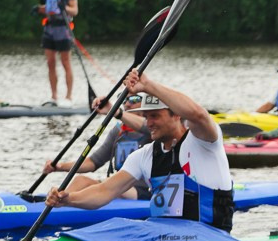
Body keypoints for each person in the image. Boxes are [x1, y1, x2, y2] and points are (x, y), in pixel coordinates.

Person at [46, 70, 235, 230]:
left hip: (209, 237)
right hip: (164, 236)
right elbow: (104, 191)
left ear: (176, 115)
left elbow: (198, 115)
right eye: (146, 116)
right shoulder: (144, 155)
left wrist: (147, 85)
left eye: (155, 116)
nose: (148, 123)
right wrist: (68, 199)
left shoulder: (202, 142)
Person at [42, 94, 153, 199]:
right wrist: (60, 166)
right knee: (80, 180)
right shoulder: (118, 131)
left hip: (144, 190)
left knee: (88, 182)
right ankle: (59, 203)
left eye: (134, 99)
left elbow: (144, 125)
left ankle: (60, 205)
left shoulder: (153, 129)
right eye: (124, 100)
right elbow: (93, 162)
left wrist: (116, 112)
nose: (127, 104)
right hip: (121, 186)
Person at [36, 0, 79, 107]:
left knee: (65, 62)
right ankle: (54, 96)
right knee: (50, 62)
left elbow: (74, 10)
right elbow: (49, 7)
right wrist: (39, 9)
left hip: (63, 28)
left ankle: (68, 97)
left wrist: (64, 7)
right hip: (49, 28)